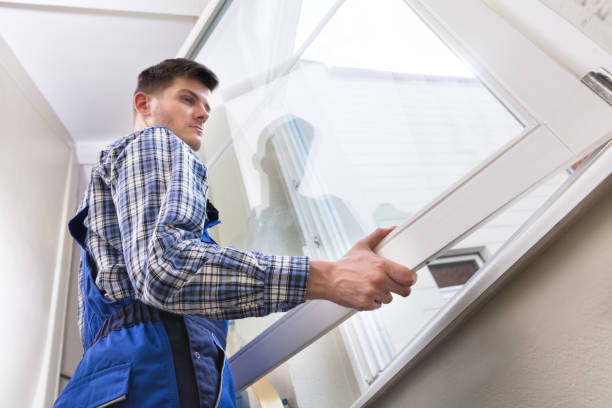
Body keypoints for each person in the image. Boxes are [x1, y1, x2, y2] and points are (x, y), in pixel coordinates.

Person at [53, 58, 417, 408]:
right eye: (187, 98)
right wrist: (328, 276)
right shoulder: (156, 142)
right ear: (143, 104)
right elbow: (166, 269)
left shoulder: (105, 200)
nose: (202, 113)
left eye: (206, 107)